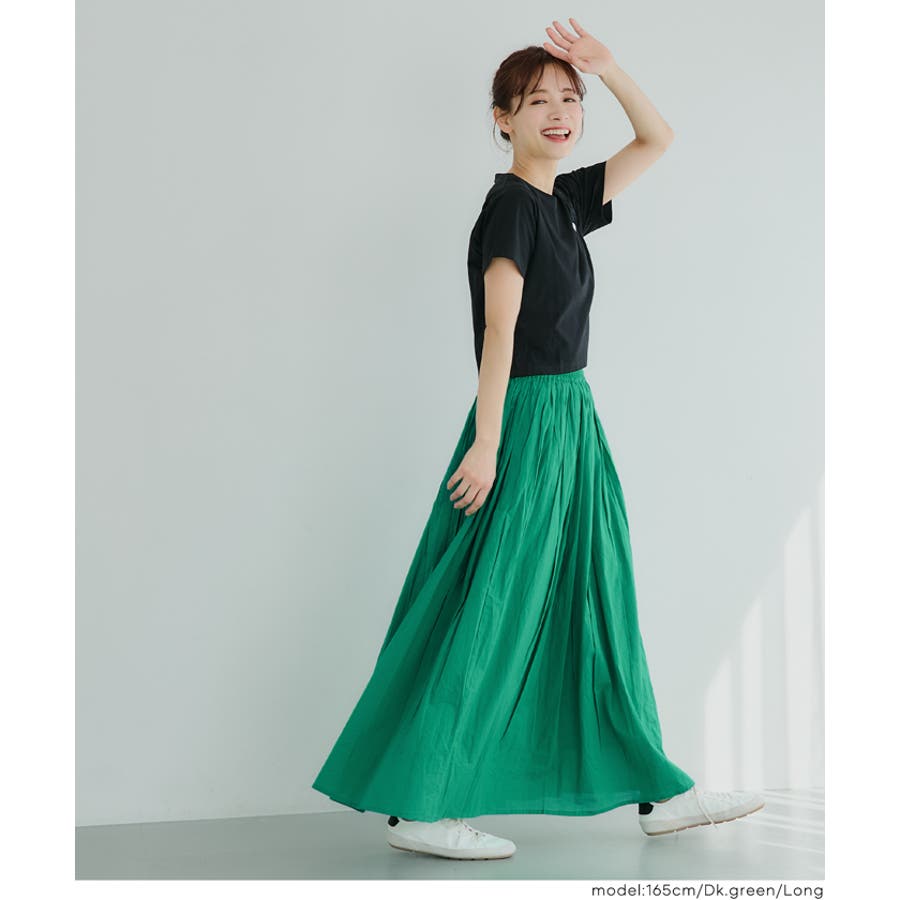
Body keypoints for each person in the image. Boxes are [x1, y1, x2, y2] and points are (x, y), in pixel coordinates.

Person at [311, 19, 764, 861]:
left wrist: (610, 68)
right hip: (524, 419)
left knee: (601, 597)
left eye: (569, 100)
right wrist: (488, 445)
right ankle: (423, 803)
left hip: (573, 419)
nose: (558, 114)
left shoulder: (563, 203)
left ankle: (659, 792)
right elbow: (500, 333)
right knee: (495, 610)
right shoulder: (512, 208)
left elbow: (657, 139)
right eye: (536, 102)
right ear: (502, 119)